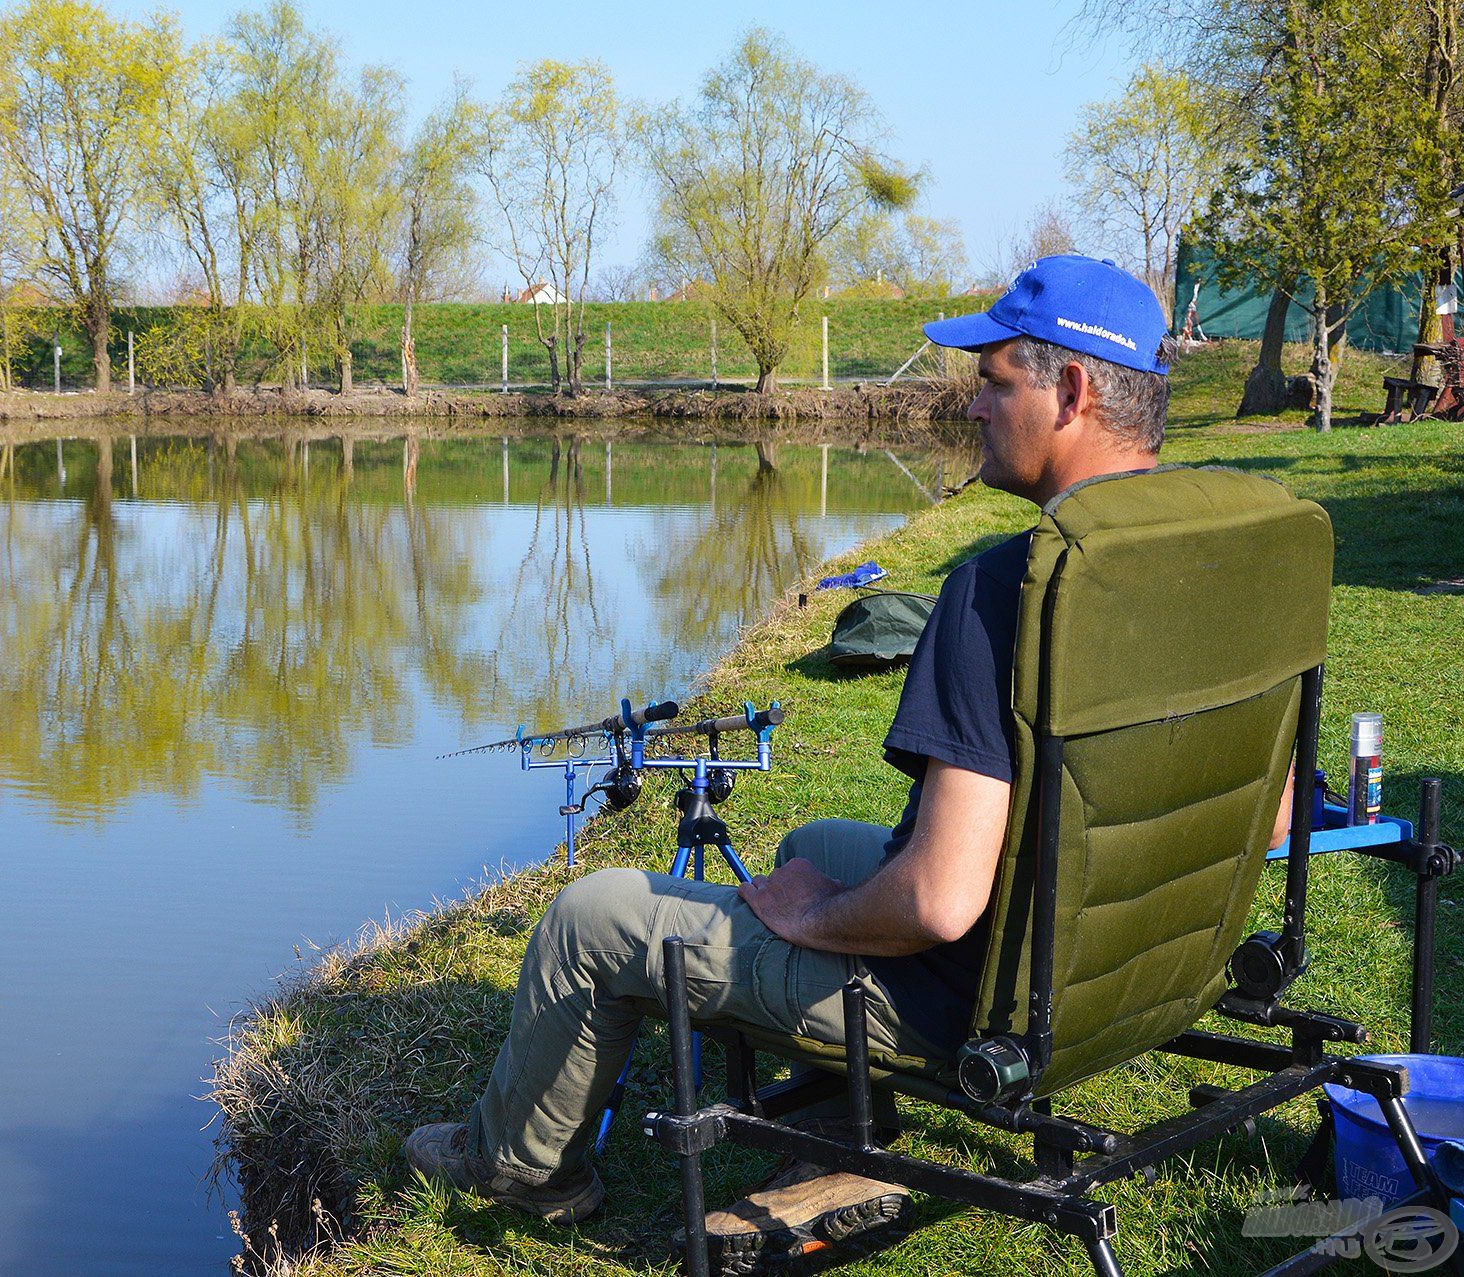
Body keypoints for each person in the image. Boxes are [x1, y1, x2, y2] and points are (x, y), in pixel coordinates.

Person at [403, 256, 1284, 1260]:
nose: (972, 406)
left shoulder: (1006, 593)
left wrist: (813, 917)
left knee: (588, 916)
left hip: (982, 1001)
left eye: (994, 381)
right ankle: (836, 1127)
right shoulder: (1222, 554)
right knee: (816, 834)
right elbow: (1281, 806)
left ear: (1072, 390)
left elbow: (939, 904)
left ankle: (521, 1169)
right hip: (1136, 971)